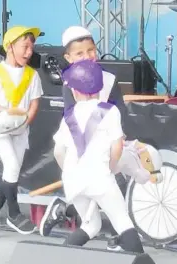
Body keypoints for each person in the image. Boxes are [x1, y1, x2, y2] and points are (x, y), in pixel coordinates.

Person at [40, 26, 131, 250]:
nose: (87, 57)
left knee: (97, 213)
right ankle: (121, 235)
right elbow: (73, 122)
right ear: (68, 58)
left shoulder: (109, 79)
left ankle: (67, 212)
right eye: (79, 53)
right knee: (101, 199)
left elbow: (118, 110)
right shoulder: (70, 84)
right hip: (85, 153)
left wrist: (116, 136)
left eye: (91, 50)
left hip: (105, 146)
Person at [49, 59, 144, 253]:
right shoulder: (110, 112)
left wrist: (68, 171)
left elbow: (58, 151)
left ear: (74, 91)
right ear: (100, 88)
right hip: (100, 178)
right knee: (122, 221)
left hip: (73, 180)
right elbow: (117, 147)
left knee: (91, 226)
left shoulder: (68, 116)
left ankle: (58, 257)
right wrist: (110, 168)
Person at [0, 26, 43, 236]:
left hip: (20, 130)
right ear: (9, 47)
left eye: (31, 48)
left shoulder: (32, 75)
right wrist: (4, 111)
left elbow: (34, 103)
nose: (28, 52)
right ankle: (14, 214)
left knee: (11, 172)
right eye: (24, 47)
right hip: (0, 129)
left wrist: (25, 122)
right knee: (13, 166)